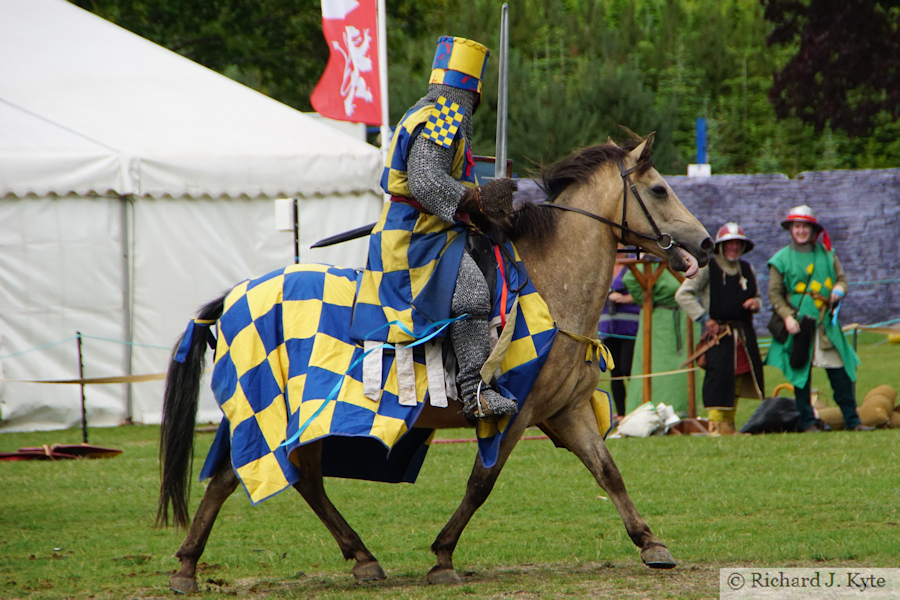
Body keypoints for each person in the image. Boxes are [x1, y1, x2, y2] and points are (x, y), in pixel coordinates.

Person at [350, 36, 519, 418]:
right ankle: (476, 391)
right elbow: (426, 181)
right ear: (470, 92)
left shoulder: (430, 113)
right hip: (417, 236)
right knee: (472, 296)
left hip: (433, 228)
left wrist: (483, 204)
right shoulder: (443, 115)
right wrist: (478, 200)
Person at [766, 205, 872, 432]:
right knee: (800, 375)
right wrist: (787, 316)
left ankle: (852, 421)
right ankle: (807, 422)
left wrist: (840, 289)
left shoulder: (827, 256)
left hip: (825, 324)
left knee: (840, 374)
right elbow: (774, 293)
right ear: (791, 229)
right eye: (797, 226)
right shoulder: (781, 259)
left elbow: (842, 280)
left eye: (805, 226)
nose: (801, 231)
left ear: (813, 230)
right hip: (799, 323)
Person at [675, 222, 765, 435]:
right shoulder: (708, 268)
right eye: (729, 243)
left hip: (743, 335)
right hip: (720, 335)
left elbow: (759, 297)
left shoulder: (747, 269)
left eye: (737, 243)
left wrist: (756, 303)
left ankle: (729, 426)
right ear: (721, 246)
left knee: (736, 378)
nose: (734, 247)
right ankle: (715, 425)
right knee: (718, 379)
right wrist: (705, 319)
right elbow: (683, 295)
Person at [623, 265, 696, 416]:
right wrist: (648, 299)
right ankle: (647, 410)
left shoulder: (684, 262)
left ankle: (682, 410)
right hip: (658, 321)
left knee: (684, 369)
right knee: (655, 365)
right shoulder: (655, 263)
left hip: (684, 321)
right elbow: (629, 279)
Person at [598, 255, 639, 418]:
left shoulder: (634, 266)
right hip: (608, 328)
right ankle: (621, 414)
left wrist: (625, 298)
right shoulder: (602, 263)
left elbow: (645, 292)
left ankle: (636, 408)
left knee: (628, 369)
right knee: (615, 373)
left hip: (630, 328)